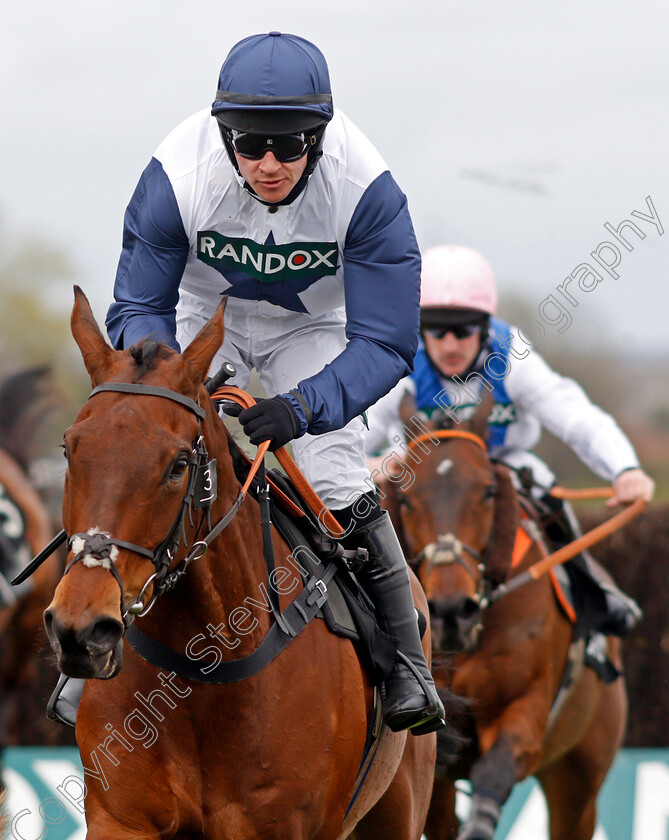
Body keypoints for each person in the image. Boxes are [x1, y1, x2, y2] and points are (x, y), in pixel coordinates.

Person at [53, 33, 444, 734]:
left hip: (316, 329)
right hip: (201, 317)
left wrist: (300, 409)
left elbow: (386, 340)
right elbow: (139, 306)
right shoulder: (175, 172)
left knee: (332, 477)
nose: (268, 164)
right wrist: (173, 385)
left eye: (290, 147)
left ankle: (407, 664)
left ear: (320, 138)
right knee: (143, 451)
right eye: (248, 145)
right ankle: (83, 660)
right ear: (221, 133)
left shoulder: (368, 189)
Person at [366, 244, 654, 637]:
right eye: (436, 330)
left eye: (463, 330)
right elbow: (356, 435)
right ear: (419, 328)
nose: (450, 345)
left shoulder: (512, 356)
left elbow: (575, 416)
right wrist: (372, 465)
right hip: (420, 471)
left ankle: (595, 596)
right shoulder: (399, 360)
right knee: (367, 512)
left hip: (504, 461)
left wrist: (625, 467)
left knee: (551, 500)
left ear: (485, 327)